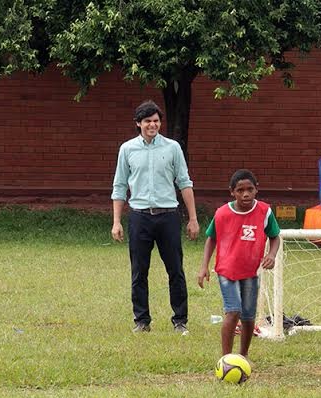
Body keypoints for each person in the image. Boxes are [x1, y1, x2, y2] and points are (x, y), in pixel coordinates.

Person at [111, 100, 199, 335]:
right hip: (139, 216)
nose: (153, 125)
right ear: (138, 123)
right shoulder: (127, 149)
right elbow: (119, 186)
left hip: (168, 216)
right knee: (139, 271)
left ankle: (180, 320)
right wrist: (116, 221)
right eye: (148, 121)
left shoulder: (172, 148)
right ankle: (142, 320)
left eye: (156, 121)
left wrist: (193, 218)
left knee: (175, 270)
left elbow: (184, 182)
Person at [197, 170, 281, 358]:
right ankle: (226, 358)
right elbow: (211, 238)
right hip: (227, 271)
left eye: (250, 189)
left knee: (249, 317)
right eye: (240, 190)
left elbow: (275, 237)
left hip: (251, 272)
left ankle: (243, 356)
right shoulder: (222, 213)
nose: (245, 194)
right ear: (232, 192)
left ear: (256, 190)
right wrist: (204, 266)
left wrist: (272, 254)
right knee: (233, 311)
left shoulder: (264, 211)